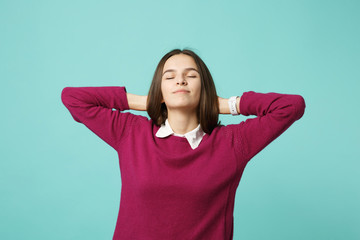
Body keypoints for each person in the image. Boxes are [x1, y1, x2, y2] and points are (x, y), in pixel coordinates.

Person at [61, 49, 305, 240]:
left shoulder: (232, 143)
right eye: (170, 77)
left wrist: (225, 105)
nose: (180, 81)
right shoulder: (132, 133)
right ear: (160, 89)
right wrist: (150, 100)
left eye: (191, 76)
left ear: (204, 87)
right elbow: (73, 98)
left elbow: (291, 106)